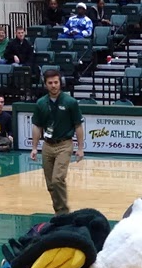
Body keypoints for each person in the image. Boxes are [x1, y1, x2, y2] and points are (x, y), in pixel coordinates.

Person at [30, 69, 84, 215]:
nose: (53, 85)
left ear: (61, 83)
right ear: (45, 84)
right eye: (50, 83)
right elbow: (37, 126)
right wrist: (34, 147)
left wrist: (80, 148)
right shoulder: (41, 103)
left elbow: (78, 125)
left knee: (57, 179)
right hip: (47, 145)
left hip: (64, 144)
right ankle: (59, 212)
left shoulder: (70, 102)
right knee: (51, 184)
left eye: (56, 82)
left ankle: (63, 213)